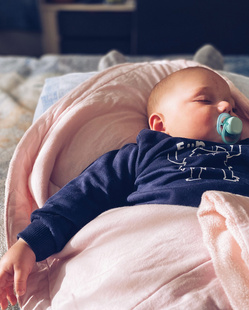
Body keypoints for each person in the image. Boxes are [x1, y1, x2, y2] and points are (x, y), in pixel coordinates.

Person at [1, 66, 249, 309]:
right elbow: (86, 193)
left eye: (234, 107)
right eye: (205, 100)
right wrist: (31, 244)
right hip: (157, 233)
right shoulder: (146, 152)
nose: (227, 108)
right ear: (160, 125)